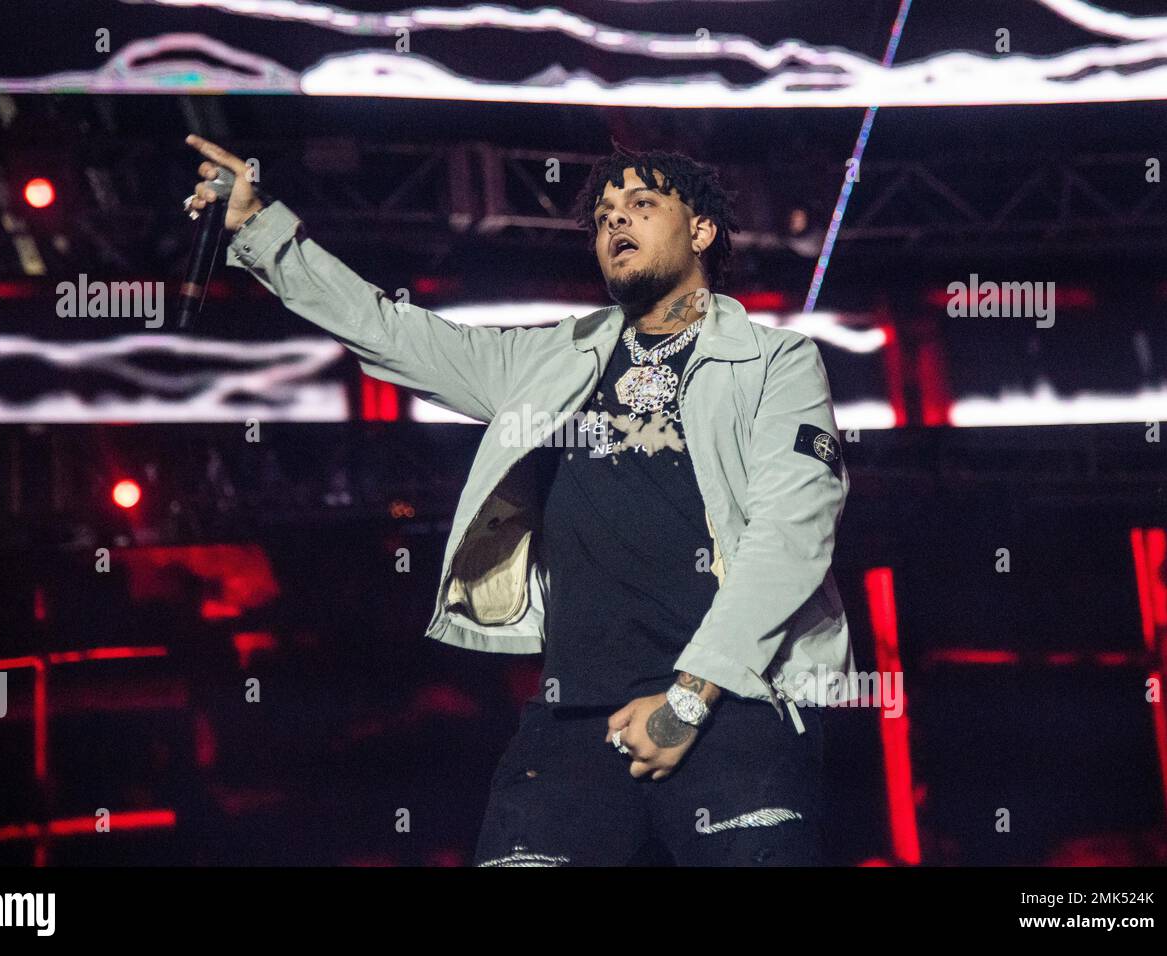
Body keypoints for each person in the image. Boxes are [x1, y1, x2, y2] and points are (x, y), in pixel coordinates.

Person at [184, 135, 854, 865]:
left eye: (641, 204)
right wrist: (260, 229)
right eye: (602, 216)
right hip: (573, 717)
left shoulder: (775, 361)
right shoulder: (550, 358)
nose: (615, 223)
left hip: (734, 705)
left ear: (700, 230)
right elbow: (391, 331)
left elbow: (791, 536)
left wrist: (688, 701)